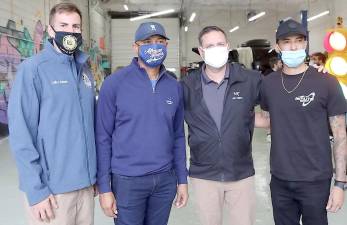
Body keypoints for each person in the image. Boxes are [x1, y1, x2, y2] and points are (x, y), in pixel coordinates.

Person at [8, 3, 96, 225]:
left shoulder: (84, 69)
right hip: (52, 191)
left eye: (76, 27)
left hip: (85, 187)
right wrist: (36, 191)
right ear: (50, 30)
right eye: (63, 25)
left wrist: (94, 176)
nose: (70, 31)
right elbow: (21, 134)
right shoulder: (33, 69)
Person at [96, 21, 188, 225]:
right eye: (147, 41)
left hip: (165, 180)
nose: (154, 46)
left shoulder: (174, 86)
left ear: (166, 46)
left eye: (159, 41)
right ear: (135, 47)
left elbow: (178, 136)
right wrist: (105, 188)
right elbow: (102, 137)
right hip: (127, 180)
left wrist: (182, 179)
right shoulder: (114, 84)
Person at [258, 19, 347, 225]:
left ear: (306, 43)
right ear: (278, 46)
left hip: (315, 180)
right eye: (287, 42)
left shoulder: (327, 82)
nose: (294, 46)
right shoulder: (268, 83)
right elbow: (270, 119)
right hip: (280, 178)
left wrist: (340, 184)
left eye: (299, 41)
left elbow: (340, 134)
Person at [181, 26, 261, 225]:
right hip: (204, 175)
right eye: (209, 46)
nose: (216, 49)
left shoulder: (250, 80)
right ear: (201, 51)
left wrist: (308, 75)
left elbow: (281, 95)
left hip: (240, 173)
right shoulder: (187, 85)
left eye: (220, 44)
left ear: (227, 46)